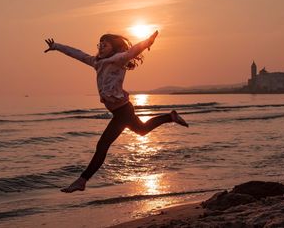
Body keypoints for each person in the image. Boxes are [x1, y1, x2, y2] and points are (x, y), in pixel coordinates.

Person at [44, 31, 188, 192]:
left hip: (123, 112)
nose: (101, 47)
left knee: (103, 144)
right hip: (122, 110)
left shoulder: (118, 59)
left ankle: (82, 180)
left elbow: (133, 51)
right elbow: (78, 54)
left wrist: (148, 42)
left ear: (114, 47)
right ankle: (170, 116)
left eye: (105, 44)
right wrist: (56, 46)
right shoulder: (96, 62)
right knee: (142, 130)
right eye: (100, 44)